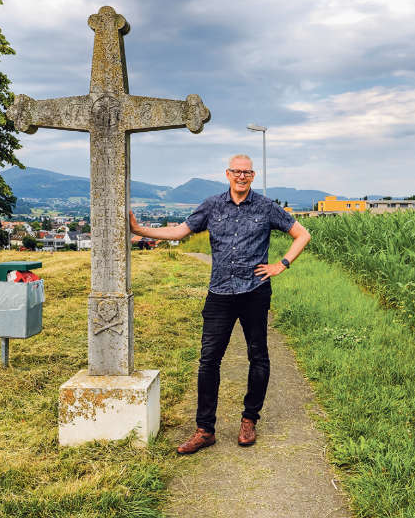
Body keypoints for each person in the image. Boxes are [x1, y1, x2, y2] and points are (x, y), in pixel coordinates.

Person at [129, 154, 311, 453]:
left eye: (247, 172)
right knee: (209, 360)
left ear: (253, 176)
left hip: (255, 291)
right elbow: (180, 231)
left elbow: (302, 234)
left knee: (258, 357)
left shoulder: (266, 206)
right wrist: (140, 231)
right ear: (227, 174)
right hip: (220, 294)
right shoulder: (212, 205)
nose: (241, 176)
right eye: (236, 171)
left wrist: (282, 264)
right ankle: (204, 430)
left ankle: (249, 420)